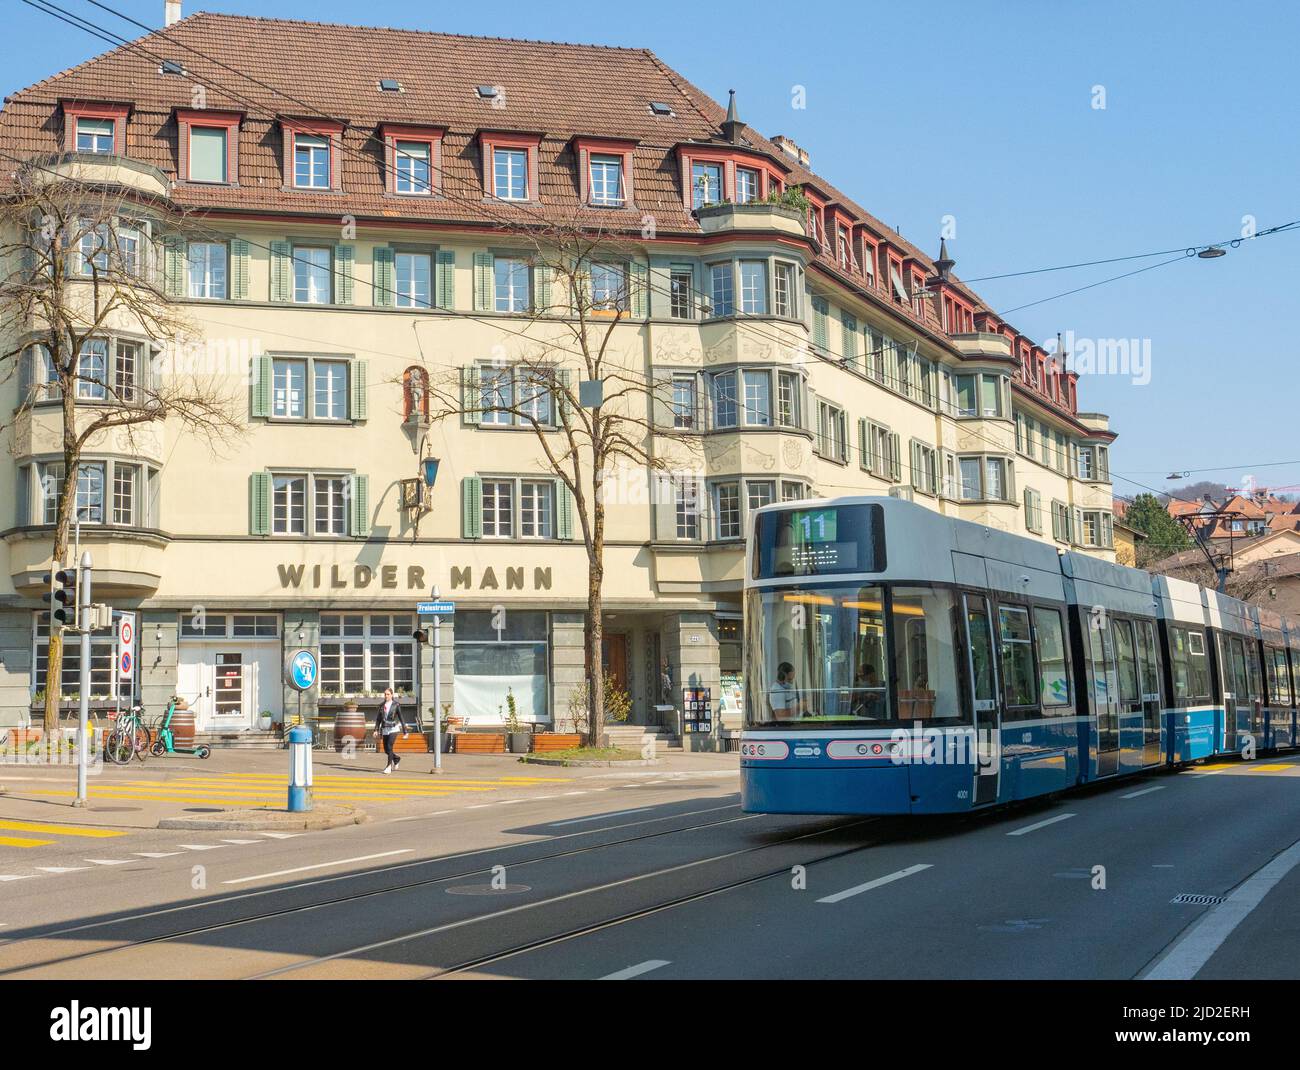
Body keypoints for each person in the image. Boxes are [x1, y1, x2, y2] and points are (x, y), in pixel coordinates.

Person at [374, 688, 410, 774]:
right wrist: (376, 730)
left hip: (394, 729)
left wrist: (405, 731)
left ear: (392, 695)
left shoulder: (396, 705)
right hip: (385, 729)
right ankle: (396, 759)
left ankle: (388, 767)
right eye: (385, 694)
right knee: (386, 750)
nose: (386, 696)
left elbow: (401, 718)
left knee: (390, 747)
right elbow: (378, 719)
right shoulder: (381, 705)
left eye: (388, 694)